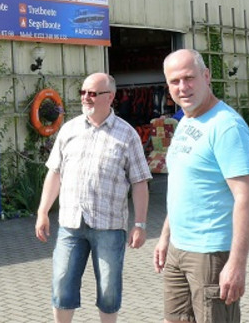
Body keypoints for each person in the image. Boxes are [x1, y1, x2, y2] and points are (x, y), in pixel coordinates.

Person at [35, 72, 151, 323]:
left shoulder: (127, 135)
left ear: (110, 97)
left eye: (92, 93)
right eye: (83, 92)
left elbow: (140, 182)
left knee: (109, 291)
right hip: (71, 225)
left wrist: (140, 224)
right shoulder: (69, 129)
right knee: (62, 286)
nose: (86, 97)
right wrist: (43, 212)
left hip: (109, 226)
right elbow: (55, 173)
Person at [153, 49, 249, 323]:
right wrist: (165, 237)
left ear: (206, 76)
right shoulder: (186, 121)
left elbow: (246, 198)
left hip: (210, 253)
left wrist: (237, 263)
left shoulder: (226, 126)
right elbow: (182, 187)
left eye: (189, 78)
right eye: (175, 81)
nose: (183, 87)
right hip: (178, 248)